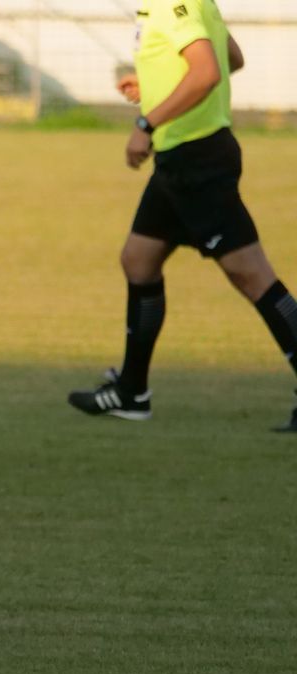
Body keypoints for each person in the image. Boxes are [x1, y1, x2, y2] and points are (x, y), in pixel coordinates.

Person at [68, 0, 297, 432]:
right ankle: (132, 392)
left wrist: (146, 122)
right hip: (180, 162)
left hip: (198, 161)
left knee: (253, 276)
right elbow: (231, 58)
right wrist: (157, 83)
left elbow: (208, 72)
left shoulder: (175, 2)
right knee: (138, 259)